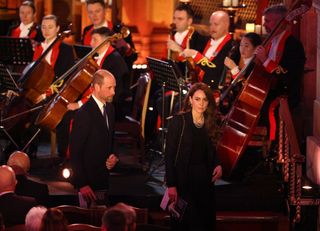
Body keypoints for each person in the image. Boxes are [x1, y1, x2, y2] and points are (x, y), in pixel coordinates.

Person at [165, 82, 222, 231]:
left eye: (204, 100)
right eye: (197, 99)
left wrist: (217, 164)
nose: (201, 103)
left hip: (204, 178)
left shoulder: (211, 122)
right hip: (183, 178)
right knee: (186, 222)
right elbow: (169, 155)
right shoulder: (179, 121)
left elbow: (213, 148)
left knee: (204, 221)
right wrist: (171, 185)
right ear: (190, 100)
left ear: (208, 102)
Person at [254, 4, 306, 141]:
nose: (264, 24)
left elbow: (287, 75)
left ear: (279, 22)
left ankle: (274, 148)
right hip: (271, 89)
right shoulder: (270, 42)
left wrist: (264, 60)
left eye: (268, 21)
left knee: (269, 106)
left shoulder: (293, 44)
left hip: (285, 92)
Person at [69, 69, 119, 208]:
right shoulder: (84, 114)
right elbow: (75, 152)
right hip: (88, 183)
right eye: (109, 88)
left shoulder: (110, 108)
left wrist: (113, 156)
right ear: (97, 87)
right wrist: (82, 184)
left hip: (103, 178)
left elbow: (110, 139)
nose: (113, 92)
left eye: (114, 87)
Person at [32, 14, 76, 158]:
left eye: (50, 27)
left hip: (55, 95)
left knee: (63, 115)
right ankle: (25, 152)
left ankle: (62, 155)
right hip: (36, 92)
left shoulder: (66, 49)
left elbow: (65, 78)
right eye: (44, 27)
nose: (46, 30)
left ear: (57, 28)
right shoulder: (37, 48)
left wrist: (45, 94)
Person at [68, 27, 130, 121]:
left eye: (95, 40)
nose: (91, 43)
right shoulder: (98, 57)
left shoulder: (114, 60)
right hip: (99, 101)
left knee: (69, 116)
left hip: (111, 106)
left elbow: (107, 92)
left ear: (106, 41)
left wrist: (79, 104)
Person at [181, 10, 234, 90]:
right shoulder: (207, 40)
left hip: (213, 91)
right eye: (210, 24)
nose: (212, 27)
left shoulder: (231, 47)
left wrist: (195, 54)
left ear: (226, 25)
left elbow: (215, 71)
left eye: (216, 24)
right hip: (197, 87)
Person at [82, 0, 137, 70]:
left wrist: (126, 47)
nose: (94, 15)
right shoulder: (87, 30)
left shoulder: (119, 30)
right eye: (91, 12)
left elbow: (134, 57)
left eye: (97, 11)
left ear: (104, 11)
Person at [221, 32, 262, 113]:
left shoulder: (256, 67)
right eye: (241, 45)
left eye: (246, 46)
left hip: (245, 109)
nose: (242, 49)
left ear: (256, 48)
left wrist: (234, 69)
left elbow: (246, 90)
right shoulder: (236, 59)